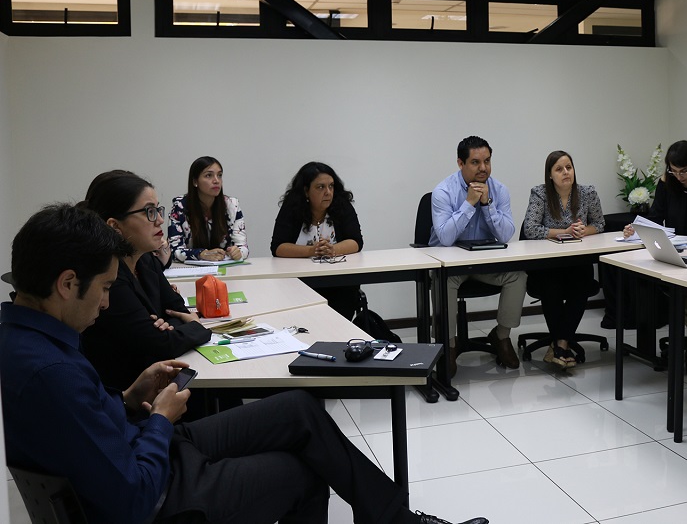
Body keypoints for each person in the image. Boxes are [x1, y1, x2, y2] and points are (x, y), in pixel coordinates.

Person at [0, 203, 488, 524]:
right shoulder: (50, 372)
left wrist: (129, 399)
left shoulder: (35, 340)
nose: (106, 303)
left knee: (298, 407)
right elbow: (132, 498)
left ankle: (394, 519)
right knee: (301, 472)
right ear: (67, 283)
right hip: (158, 490)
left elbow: (90, 426)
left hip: (146, 448)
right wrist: (160, 420)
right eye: (104, 289)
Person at [79, 170, 211, 390]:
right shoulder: (109, 279)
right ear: (115, 226)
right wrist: (195, 326)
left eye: (158, 209)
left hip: (161, 379)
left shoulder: (145, 260)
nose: (160, 220)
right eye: (149, 212)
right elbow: (160, 344)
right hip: (129, 394)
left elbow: (177, 309)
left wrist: (167, 328)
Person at [622, 139, 687, 374]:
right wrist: (637, 228)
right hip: (675, 250)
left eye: (684, 171)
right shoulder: (667, 181)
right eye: (673, 171)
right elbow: (656, 218)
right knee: (649, 283)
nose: (679, 176)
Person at [429, 136, 526, 374]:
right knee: (444, 280)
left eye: (487, 161)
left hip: (484, 264)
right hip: (449, 266)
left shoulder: (499, 190)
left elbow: (506, 235)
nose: (483, 168)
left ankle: (501, 336)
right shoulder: (443, 192)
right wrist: (469, 203)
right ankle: (448, 344)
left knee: (517, 275)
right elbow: (446, 238)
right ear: (460, 163)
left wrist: (487, 204)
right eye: (475, 162)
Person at [522, 150, 605, 369]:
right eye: (559, 169)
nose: (566, 172)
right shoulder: (540, 194)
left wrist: (584, 231)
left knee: (582, 284)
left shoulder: (587, 193)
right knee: (552, 286)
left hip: (578, 261)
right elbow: (530, 229)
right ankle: (562, 344)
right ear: (550, 175)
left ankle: (559, 345)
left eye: (569, 167)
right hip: (549, 263)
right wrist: (563, 232)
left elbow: (599, 224)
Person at [271, 162, 364, 319]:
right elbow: (278, 247)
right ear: (306, 191)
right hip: (299, 282)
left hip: (338, 282)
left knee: (344, 298)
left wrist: (333, 249)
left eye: (331, 186)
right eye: (320, 187)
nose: (328, 192)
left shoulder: (342, 204)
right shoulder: (291, 208)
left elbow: (356, 241)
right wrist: (311, 251)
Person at [167, 155, 249, 263]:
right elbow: (173, 251)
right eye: (208, 175)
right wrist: (201, 254)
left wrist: (238, 252)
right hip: (190, 270)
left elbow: (243, 247)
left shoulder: (232, 205)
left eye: (219, 175)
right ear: (195, 181)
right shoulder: (180, 207)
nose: (216, 180)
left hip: (225, 268)